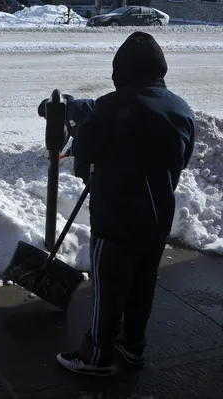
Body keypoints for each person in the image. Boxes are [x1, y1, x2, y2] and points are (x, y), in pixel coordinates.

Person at [56, 31, 195, 376]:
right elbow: (184, 157)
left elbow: (85, 151)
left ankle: (96, 355)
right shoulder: (181, 108)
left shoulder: (110, 106)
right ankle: (133, 347)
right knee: (141, 288)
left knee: (108, 290)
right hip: (156, 217)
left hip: (116, 219)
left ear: (121, 70)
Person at [37, 94, 95, 184]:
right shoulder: (66, 114)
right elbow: (66, 135)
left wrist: (74, 148)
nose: (47, 120)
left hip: (108, 132)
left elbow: (87, 131)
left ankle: (84, 186)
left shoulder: (75, 108)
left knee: (81, 158)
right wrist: (55, 154)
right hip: (96, 136)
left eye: (46, 117)